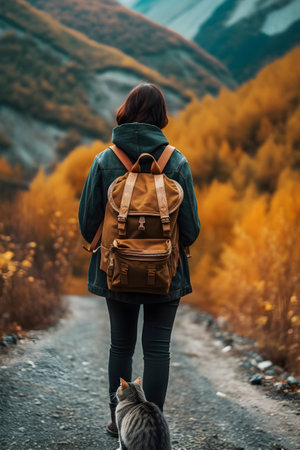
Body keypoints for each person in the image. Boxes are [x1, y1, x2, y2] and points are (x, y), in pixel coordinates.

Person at [78, 83, 200, 437]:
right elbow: (190, 230)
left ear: (125, 112)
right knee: (157, 349)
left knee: (121, 345)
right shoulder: (175, 161)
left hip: (116, 269)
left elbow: (88, 225)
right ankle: (153, 427)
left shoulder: (104, 160)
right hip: (167, 272)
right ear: (161, 116)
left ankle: (119, 426)